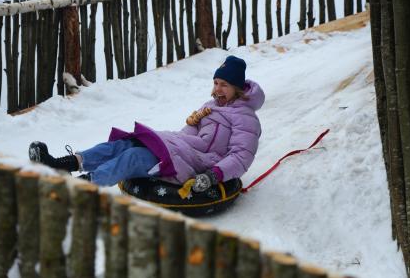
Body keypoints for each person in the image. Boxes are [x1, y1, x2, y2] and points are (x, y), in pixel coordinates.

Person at [29, 55, 265, 193]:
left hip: (199, 164)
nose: (217, 89)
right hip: (183, 150)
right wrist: (190, 124)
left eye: (224, 84)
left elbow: (241, 156)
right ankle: (62, 164)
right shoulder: (209, 106)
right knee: (125, 144)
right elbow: (187, 134)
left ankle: (78, 188)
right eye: (215, 83)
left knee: (134, 158)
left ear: (237, 87)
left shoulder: (245, 117)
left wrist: (214, 175)